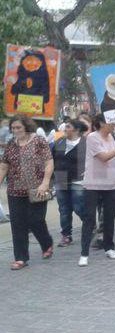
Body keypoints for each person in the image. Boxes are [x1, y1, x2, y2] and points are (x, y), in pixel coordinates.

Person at [0, 116, 54, 270]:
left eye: (18, 128)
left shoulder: (39, 141)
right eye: (13, 128)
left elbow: (48, 162)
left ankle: (46, 243)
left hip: (37, 189)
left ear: (26, 127)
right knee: (17, 225)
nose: (15, 131)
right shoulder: (11, 144)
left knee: (35, 220)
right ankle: (21, 258)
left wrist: (45, 182)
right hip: (15, 190)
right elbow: (4, 167)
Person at [79, 114, 115, 267]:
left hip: (111, 183)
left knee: (109, 217)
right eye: (110, 122)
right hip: (93, 183)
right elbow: (104, 157)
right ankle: (84, 253)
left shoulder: (112, 137)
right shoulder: (92, 137)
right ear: (101, 123)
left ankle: (109, 246)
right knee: (89, 218)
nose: (113, 125)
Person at [52, 119, 88, 247]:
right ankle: (66, 235)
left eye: (68, 126)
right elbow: (51, 159)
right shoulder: (60, 142)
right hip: (61, 178)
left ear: (76, 130)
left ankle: (90, 225)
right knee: (64, 209)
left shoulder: (85, 143)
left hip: (78, 179)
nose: (65, 129)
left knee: (79, 207)